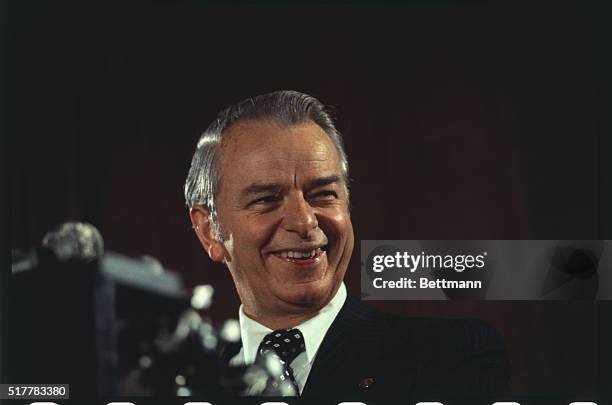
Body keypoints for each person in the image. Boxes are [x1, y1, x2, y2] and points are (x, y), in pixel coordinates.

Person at [184, 90, 511, 399]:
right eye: (267, 199)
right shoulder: (184, 384)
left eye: (324, 194)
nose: (304, 221)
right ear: (209, 230)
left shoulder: (449, 357)